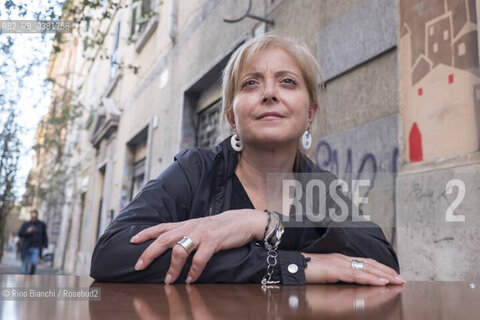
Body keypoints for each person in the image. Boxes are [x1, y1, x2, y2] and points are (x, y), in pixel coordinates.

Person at [91, 34, 404, 285]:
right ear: (231, 116)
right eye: (251, 83)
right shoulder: (195, 171)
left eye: (288, 81)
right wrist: (297, 267)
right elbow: (112, 253)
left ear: (310, 113)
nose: (269, 93)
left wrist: (264, 223)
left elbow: (382, 262)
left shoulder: (319, 186)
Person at [18, 209, 48, 275]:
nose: (34, 217)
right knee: (24, 265)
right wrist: (27, 231)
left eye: (35, 216)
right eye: (32, 216)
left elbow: (44, 236)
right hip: (26, 247)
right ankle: (23, 280)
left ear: (37, 215)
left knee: (34, 263)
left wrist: (45, 246)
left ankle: (31, 277)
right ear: (31, 216)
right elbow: (20, 234)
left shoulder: (42, 225)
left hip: (36, 247)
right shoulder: (26, 224)